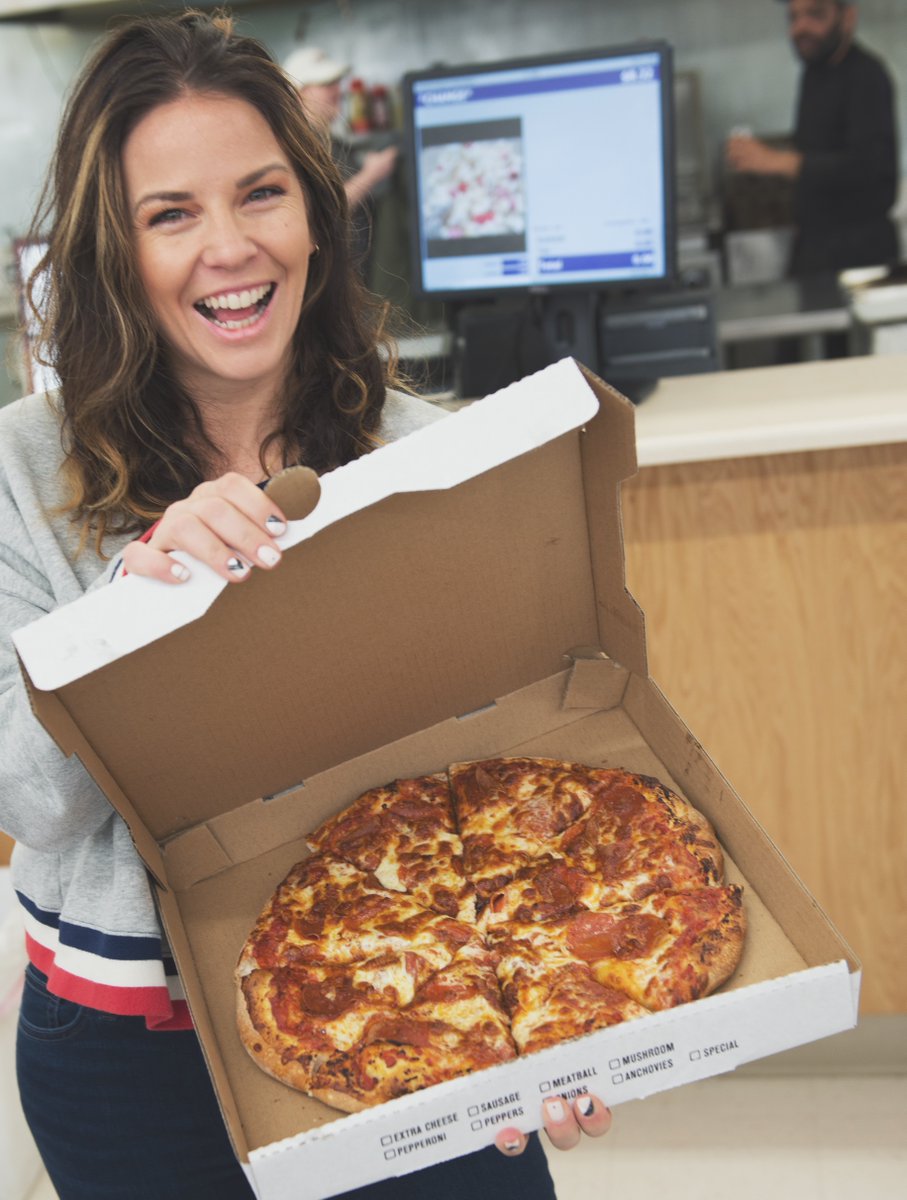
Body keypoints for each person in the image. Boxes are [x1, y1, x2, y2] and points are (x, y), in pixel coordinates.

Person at [0, 11, 610, 1200]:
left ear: (319, 222)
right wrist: (136, 603)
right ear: (111, 252)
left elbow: (515, 766)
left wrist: (557, 987)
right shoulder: (19, 473)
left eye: (261, 194)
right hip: (130, 1055)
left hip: (424, 1002)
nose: (227, 247)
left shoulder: (437, 457)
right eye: (169, 214)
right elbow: (33, 799)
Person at [725, 0, 900, 275]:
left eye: (815, 15)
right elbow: (817, 152)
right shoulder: (813, 74)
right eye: (793, 18)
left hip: (861, 255)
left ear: (848, 18)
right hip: (814, 247)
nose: (800, 28)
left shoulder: (868, 75)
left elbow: (869, 168)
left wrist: (777, 161)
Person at [283, 44, 399, 265]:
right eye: (326, 84)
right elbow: (322, 212)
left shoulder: (328, 141)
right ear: (298, 94)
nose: (337, 89)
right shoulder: (297, 146)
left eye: (336, 82)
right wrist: (372, 174)